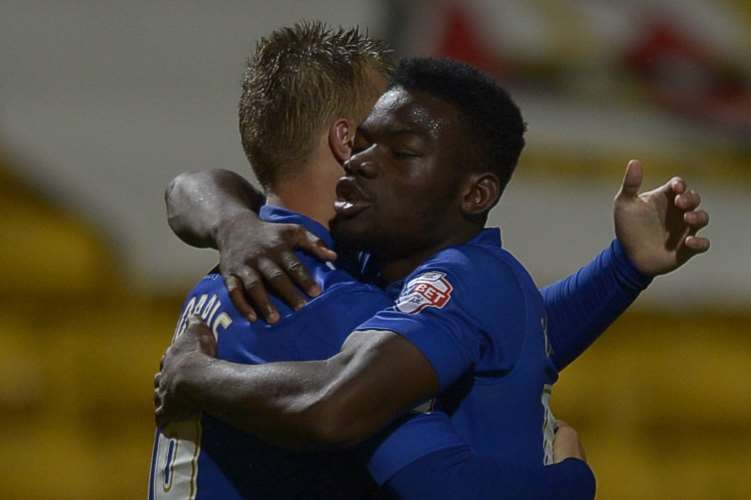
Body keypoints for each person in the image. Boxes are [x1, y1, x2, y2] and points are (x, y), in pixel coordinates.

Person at [154, 50, 710, 500]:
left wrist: (623, 269)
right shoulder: (310, 292)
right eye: (375, 134)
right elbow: (434, 478)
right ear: (347, 141)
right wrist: (572, 483)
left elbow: (491, 337)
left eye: (399, 145)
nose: (371, 157)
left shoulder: (255, 255)